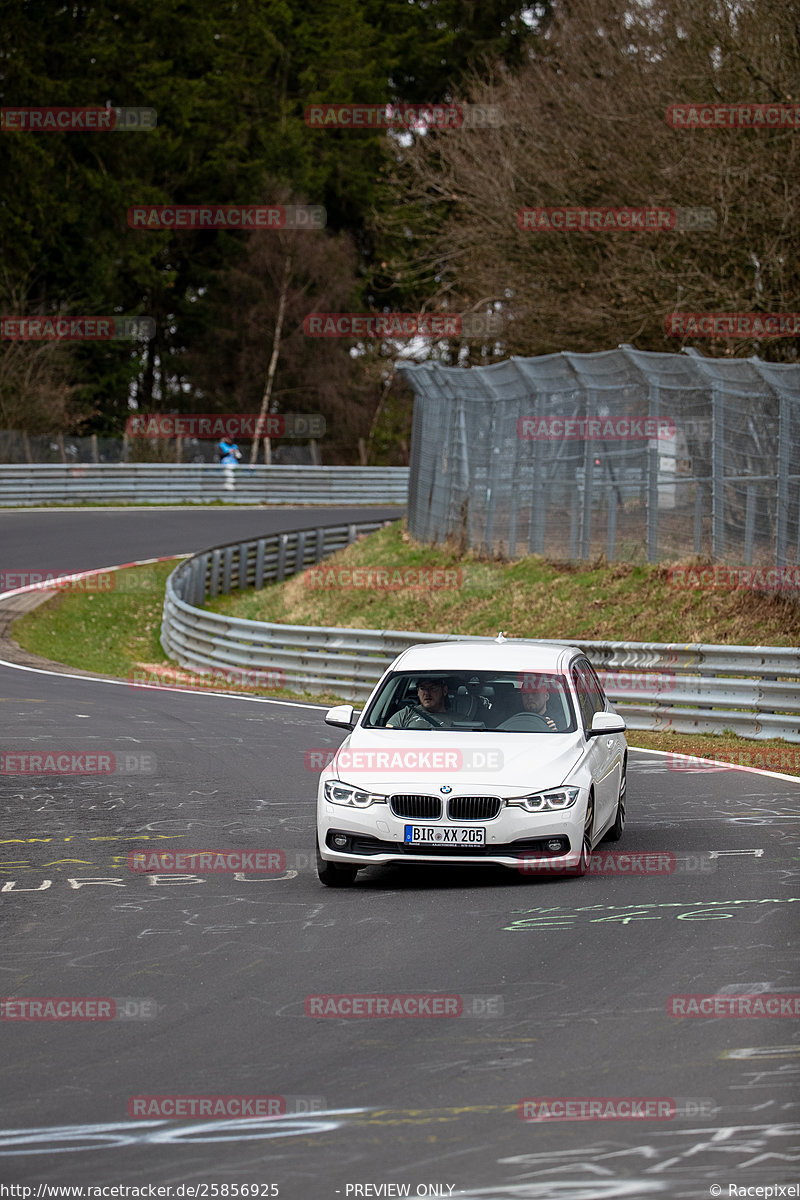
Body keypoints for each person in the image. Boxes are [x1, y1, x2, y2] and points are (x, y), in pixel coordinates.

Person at [386, 676, 454, 728]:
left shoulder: (460, 720)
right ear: (418, 691)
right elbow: (387, 734)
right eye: (422, 688)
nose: (427, 693)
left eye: (433, 688)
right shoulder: (406, 714)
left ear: (444, 690)